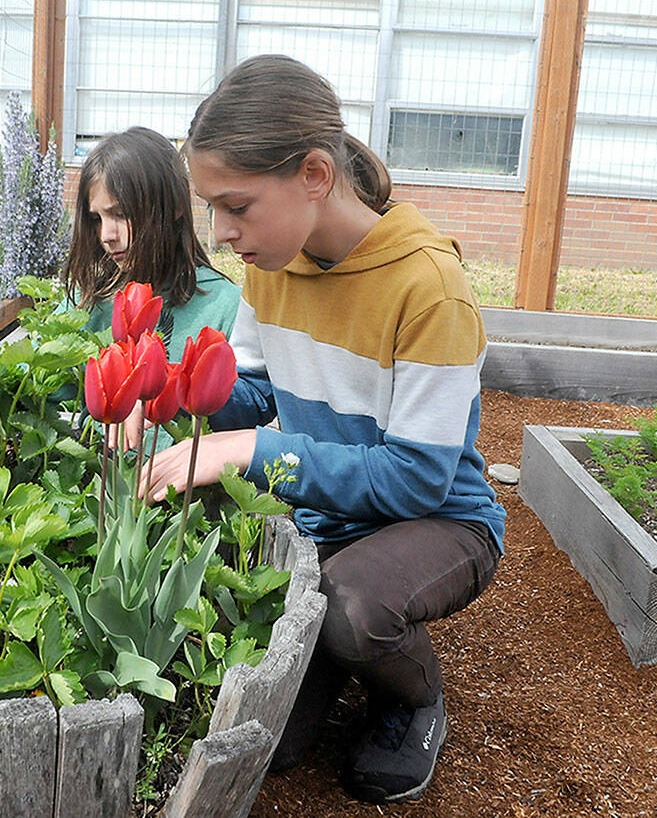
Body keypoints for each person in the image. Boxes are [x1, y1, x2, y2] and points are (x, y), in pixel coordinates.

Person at [142, 55, 506, 805]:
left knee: (354, 609)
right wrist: (160, 398)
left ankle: (413, 699)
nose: (222, 232)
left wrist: (257, 450)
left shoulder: (429, 288)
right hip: (326, 523)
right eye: (211, 208)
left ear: (314, 173)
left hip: (438, 522)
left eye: (236, 206)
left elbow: (417, 477)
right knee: (276, 747)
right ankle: (337, 651)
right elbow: (253, 390)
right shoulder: (275, 263)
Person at [62, 126, 240, 361]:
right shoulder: (89, 298)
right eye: (96, 219)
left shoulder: (224, 307)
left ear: (174, 205)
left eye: (121, 213)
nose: (106, 235)